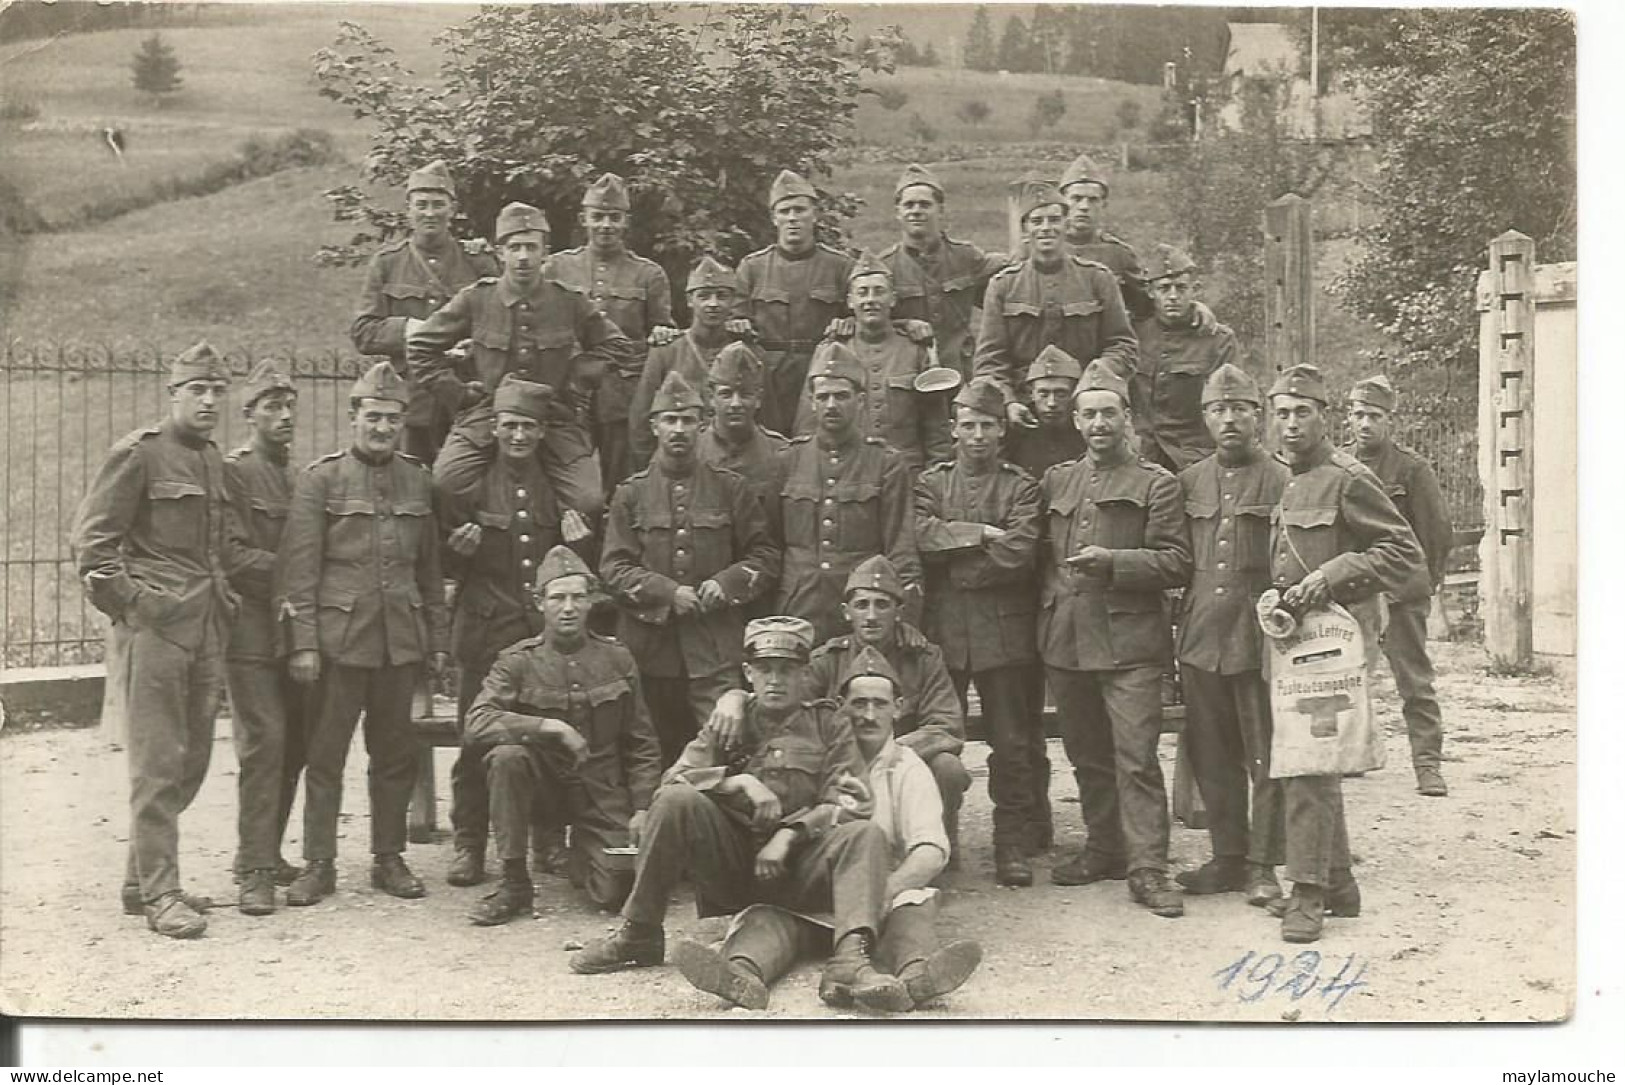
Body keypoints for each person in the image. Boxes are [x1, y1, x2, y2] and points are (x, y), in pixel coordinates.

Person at [570, 617, 904, 1011]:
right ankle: (639, 932)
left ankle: (850, 959)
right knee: (676, 802)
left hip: (804, 870)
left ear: (805, 674)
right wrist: (736, 781)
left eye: (786, 670)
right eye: (764, 669)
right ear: (748, 672)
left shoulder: (829, 723)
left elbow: (853, 802)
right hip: (732, 868)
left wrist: (791, 833)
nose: (775, 680)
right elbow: (672, 783)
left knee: (866, 833)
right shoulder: (729, 720)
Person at [672, 646, 982, 1013]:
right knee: (768, 920)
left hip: (881, 897)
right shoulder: (820, 753)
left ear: (897, 709)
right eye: (858, 704)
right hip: (814, 891)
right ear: (840, 707)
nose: (868, 715)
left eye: (879, 704)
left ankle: (916, 978)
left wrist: (881, 893)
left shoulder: (907, 768)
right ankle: (740, 975)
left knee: (911, 913)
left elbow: (931, 850)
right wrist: (735, 696)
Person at [72, 342, 239, 939]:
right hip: (156, 634)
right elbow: (92, 549)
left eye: (218, 390)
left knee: (192, 760)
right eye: (198, 390)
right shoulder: (138, 455)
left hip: (205, 629)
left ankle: (139, 880)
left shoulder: (214, 460)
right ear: (174, 394)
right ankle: (161, 894)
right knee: (158, 762)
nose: (210, 401)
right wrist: (137, 606)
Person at [277, 361, 451, 906]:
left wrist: (437, 642)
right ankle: (319, 863)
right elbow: (298, 571)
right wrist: (303, 643)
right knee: (325, 755)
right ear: (353, 418)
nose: (382, 428)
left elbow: (429, 570)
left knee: (395, 754)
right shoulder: (320, 480)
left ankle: (388, 857)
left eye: (392, 419)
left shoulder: (419, 480)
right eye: (373, 417)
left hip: (399, 641)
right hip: (337, 645)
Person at [1266, 363, 1427, 942]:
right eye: (1281, 413)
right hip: (1290, 645)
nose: (1290, 424)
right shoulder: (1285, 477)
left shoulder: (1348, 477)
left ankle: (1306, 895)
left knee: (1310, 763)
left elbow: (1403, 554)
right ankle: (1337, 883)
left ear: (1323, 416)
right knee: (1305, 758)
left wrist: (1337, 573)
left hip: (1333, 645)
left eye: (1302, 412)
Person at [1037, 361, 1192, 916]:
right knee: (1087, 756)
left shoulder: (1157, 483)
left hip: (1130, 643)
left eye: (1109, 412)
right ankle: (1104, 848)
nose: (1099, 423)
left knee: (1136, 758)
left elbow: (1177, 561)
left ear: (1128, 418)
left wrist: (1115, 562)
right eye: (1089, 414)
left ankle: (1148, 868)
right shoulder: (1058, 480)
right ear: (1076, 421)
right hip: (1067, 639)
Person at [708, 555, 968, 858]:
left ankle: (935, 847)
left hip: (902, 763)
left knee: (948, 768)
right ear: (846, 612)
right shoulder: (827, 659)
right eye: (862, 605)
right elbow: (782, 700)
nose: (871, 615)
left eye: (881, 605)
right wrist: (735, 697)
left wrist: (886, 753)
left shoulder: (923, 658)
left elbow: (947, 727)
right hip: (838, 765)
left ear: (899, 611)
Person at [461, 546, 664, 925]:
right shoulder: (518, 661)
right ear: (540, 603)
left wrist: (641, 807)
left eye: (578, 597)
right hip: (544, 788)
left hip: (600, 790)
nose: (568, 607)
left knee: (617, 889)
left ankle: (581, 853)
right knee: (507, 758)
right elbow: (476, 722)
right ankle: (514, 881)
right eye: (558, 598)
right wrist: (547, 727)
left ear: (591, 602)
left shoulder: (617, 658)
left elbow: (642, 740)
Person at [431, 374, 580, 887]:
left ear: (542, 432)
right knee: (475, 741)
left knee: (544, 742)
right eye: (510, 426)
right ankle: (470, 843)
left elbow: (569, 563)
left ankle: (546, 840)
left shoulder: (557, 486)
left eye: (529, 428)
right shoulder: (471, 483)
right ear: (494, 428)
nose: (518, 437)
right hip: (484, 632)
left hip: (536, 635)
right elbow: (440, 555)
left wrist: (579, 544)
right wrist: (458, 551)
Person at [407, 201, 636, 524]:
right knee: (446, 483)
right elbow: (420, 346)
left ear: (546, 253)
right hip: (487, 414)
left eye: (531, 247)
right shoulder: (477, 298)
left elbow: (617, 346)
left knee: (588, 501)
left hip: (554, 417)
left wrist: (578, 377)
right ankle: (468, 558)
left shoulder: (568, 300)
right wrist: (458, 394)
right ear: (500, 252)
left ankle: (566, 565)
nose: (524, 257)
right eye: (515, 247)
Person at [600, 370, 780, 763]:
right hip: (649, 652)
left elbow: (765, 557)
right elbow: (614, 568)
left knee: (728, 750)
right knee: (650, 752)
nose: (678, 429)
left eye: (687, 421)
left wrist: (727, 583)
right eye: (669, 420)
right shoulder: (630, 494)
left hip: (714, 649)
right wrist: (667, 593)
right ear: (654, 426)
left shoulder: (731, 488)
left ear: (702, 426)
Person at [914, 377, 1045, 886]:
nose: (977, 436)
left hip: (1003, 636)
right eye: (968, 425)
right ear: (953, 431)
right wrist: (981, 534)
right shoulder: (932, 483)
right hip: (944, 634)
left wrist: (959, 562)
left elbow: (1019, 553)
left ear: (1002, 431)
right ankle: (935, 841)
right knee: (937, 740)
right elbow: (921, 536)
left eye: (987, 426)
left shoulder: (1020, 485)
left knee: (1012, 745)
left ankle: (1011, 843)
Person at [1172, 364, 1286, 905]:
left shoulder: (1282, 479)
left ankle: (1264, 863)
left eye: (1240, 408)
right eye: (1219, 410)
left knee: (1265, 753)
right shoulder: (1189, 481)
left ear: (1258, 416)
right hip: (1201, 637)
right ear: (1205, 419)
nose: (1230, 419)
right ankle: (1228, 856)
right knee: (1211, 754)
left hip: (1259, 637)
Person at [222, 360, 308, 915]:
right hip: (249, 632)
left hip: (291, 633)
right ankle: (253, 871)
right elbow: (229, 555)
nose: (285, 416)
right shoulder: (235, 473)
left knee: (295, 744)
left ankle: (266, 851)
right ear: (249, 413)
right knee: (266, 743)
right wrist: (295, 571)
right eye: (272, 406)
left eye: (289, 405)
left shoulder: (296, 475)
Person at [1344, 374, 1455, 797]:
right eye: (1358, 415)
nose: (1365, 424)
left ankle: (1428, 765)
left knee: (1414, 681)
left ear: (1389, 420)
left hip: (1401, 593)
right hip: (1356, 592)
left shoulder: (1411, 469)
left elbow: (1437, 532)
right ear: (1348, 418)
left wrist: (1422, 585)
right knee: (1346, 676)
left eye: (1374, 416)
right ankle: (1350, 754)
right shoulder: (1339, 466)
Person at [350, 160, 499, 464]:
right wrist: (413, 329)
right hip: (410, 398)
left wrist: (472, 345)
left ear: (453, 209)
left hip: (465, 395)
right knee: (409, 482)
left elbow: (497, 324)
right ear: (409, 210)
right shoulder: (387, 263)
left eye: (437, 204)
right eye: (422, 204)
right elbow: (363, 331)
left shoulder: (478, 262)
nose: (430, 213)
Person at [774, 346, 922, 642]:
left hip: (861, 609)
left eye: (841, 396)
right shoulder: (786, 460)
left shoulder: (886, 463)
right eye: (823, 396)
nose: (831, 405)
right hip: (797, 604)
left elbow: (900, 547)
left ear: (861, 401)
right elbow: (771, 544)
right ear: (812, 402)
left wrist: (904, 620)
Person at [972, 180, 1138, 434]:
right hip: (1024, 409)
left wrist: (1094, 379)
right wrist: (1009, 402)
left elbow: (1122, 345)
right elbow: (989, 360)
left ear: (1066, 223)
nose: (1046, 228)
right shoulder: (1003, 285)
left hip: (1087, 409)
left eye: (1054, 219)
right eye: (1037, 221)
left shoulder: (1097, 279)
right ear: (1025, 229)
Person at [547, 172, 678, 492]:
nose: (606, 225)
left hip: (622, 393)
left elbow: (662, 331)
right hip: (568, 390)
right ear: (584, 219)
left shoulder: (648, 274)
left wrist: (663, 333)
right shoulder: (556, 268)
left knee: (622, 476)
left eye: (614, 218)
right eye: (598, 217)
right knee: (567, 473)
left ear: (625, 222)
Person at [794, 253, 953, 473]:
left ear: (893, 299)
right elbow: (808, 423)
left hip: (905, 472)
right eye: (862, 292)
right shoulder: (830, 350)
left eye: (879, 291)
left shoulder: (916, 349)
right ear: (850, 301)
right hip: (847, 472)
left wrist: (936, 475)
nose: (870, 300)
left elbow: (937, 427)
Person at [729, 170, 855, 434]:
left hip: (820, 370)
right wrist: (737, 323)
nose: (793, 218)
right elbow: (735, 320)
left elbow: (859, 316)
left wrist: (848, 322)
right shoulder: (752, 267)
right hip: (769, 374)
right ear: (774, 218)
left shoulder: (840, 266)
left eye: (800, 210)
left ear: (815, 215)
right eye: (785, 211)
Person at [877, 163, 1008, 381]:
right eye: (909, 205)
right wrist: (904, 324)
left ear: (941, 210)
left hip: (962, 371)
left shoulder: (966, 257)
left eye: (925, 204)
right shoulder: (884, 267)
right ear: (898, 213)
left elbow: (1002, 293)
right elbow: (867, 323)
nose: (916, 211)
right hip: (906, 372)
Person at [1130, 245, 1243, 473]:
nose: (1173, 296)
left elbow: (1228, 403)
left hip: (1194, 457)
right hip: (1141, 455)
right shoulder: (1133, 334)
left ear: (1195, 290)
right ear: (1150, 292)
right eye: (1164, 288)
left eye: (1181, 288)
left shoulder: (1218, 339)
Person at [629, 255, 741, 469]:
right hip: (678, 464)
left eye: (722, 296)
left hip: (734, 463)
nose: (713, 304)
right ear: (690, 300)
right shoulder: (666, 352)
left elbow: (767, 420)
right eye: (704, 296)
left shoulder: (747, 350)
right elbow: (641, 421)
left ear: (733, 301)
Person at [695, 341, 790, 529]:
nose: (736, 403)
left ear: (759, 399)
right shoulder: (692, 451)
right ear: (710, 398)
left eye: (745, 394)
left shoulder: (782, 455)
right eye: (726, 394)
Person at [1003, 344, 1086, 482]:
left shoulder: (1087, 428)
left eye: (1061, 393)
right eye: (1044, 394)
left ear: (1074, 393)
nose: (1051, 403)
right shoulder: (1015, 431)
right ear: (1031, 394)